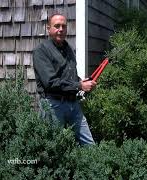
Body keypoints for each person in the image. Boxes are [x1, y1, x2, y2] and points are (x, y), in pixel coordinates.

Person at [32, 13, 97, 145]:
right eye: (57, 26)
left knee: (89, 145)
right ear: (48, 28)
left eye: (64, 26)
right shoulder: (41, 51)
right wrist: (79, 86)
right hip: (53, 105)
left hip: (73, 104)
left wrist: (81, 81)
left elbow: (70, 77)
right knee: (52, 148)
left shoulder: (68, 49)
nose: (61, 29)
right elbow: (50, 83)